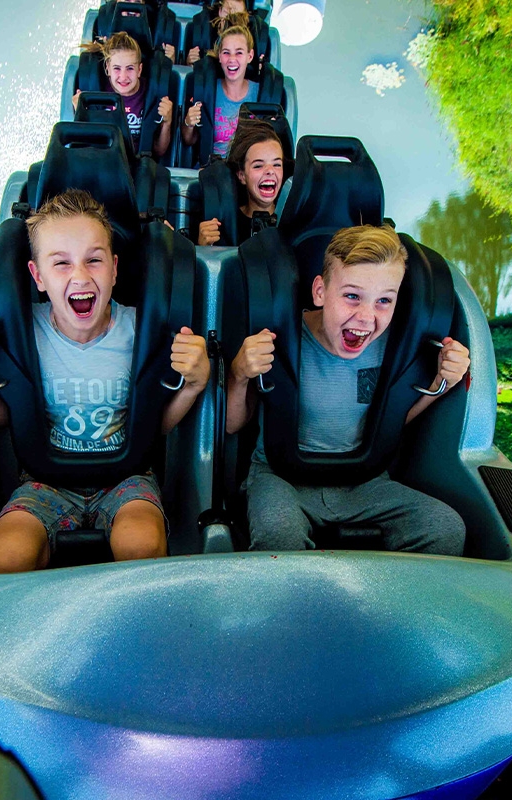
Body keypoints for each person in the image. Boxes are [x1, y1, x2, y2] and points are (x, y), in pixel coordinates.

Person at [0, 189, 209, 573]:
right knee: (3, 558)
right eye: (61, 263)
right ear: (38, 276)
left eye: (94, 260)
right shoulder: (23, 332)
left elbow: (155, 425)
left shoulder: (141, 330)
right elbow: (4, 418)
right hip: (45, 479)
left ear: (114, 269)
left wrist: (193, 384)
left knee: (141, 546)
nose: (80, 276)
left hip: (127, 477)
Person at [225, 225, 470, 555]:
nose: (366, 317)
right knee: (279, 535)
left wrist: (443, 382)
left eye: (384, 301)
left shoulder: (395, 349)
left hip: (363, 480)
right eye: (352, 296)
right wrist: (239, 373)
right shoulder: (281, 338)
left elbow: (393, 421)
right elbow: (232, 425)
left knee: (444, 527)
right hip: (281, 476)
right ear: (320, 292)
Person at [74, 32, 174, 156]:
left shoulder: (152, 93)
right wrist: (80, 113)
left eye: (130, 68)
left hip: (136, 162)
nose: (123, 76)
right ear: (108, 68)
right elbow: (84, 146)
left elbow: (159, 150)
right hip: (101, 159)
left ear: (139, 70)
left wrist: (167, 122)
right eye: (117, 68)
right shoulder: (95, 91)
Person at [197, 118, 283, 246]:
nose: (270, 171)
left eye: (276, 164)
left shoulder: (293, 222)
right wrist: (202, 248)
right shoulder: (224, 224)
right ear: (242, 176)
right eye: (258, 166)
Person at [181, 17, 257, 160]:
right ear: (220, 57)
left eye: (239, 53)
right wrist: (189, 123)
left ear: (250, 56)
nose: (232, 59)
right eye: (226, 53)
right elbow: (189, 140)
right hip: (212, 166)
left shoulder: (260, 94)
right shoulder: (208, 90)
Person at [186, 0, 248, 65]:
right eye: (227, 13)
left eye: (238, 16)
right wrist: (192, 64)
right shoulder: (204, 33)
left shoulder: (250, 43)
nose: (231, 20)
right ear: (220, 11)